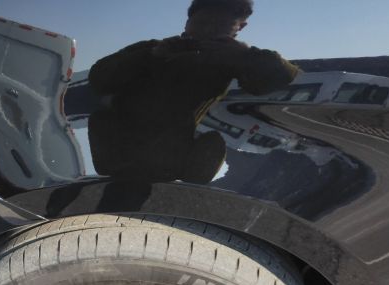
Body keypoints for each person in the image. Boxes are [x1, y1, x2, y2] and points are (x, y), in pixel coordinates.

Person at [88, 0, 299, 183]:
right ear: (188, 21)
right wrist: (151, 55)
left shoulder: (228, 62)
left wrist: (245, 54)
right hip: (118, 147)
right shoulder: (152, 48)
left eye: (220, 26)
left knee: (211, 145)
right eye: (201, 23)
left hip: (171, 156)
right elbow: (99, 77)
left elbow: (282, 77)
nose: (207, 30)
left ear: (239, 28)